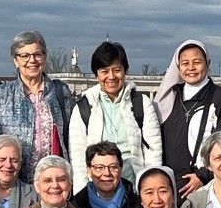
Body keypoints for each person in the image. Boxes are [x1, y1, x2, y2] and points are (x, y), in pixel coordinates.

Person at [0, 30, 74, 183]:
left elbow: (71, 138)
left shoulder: (61, 91)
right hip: (16, 182)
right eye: (24, 56)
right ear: (15, 61)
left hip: (53, 183)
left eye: (37, 54)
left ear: (45, 57)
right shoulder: (2, 94)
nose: (32, 60)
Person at [69, 41, 163, 187]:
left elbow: (153, 153)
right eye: (104, 71)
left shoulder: (142, 104)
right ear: (96, 75)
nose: (111, 77)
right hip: (97, 190)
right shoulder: (83, 107)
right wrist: (82, 197)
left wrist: (150, 188)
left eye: (117, 70)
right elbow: (78, 158)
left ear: (125, 71)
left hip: (133, 188)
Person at [156, 40, 221, 198]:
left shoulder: (220, 98)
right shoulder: (171, 96)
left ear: (207, 63)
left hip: (199, 184)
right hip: (168, 182)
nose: (191, 68)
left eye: (197, 62)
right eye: (185, 63)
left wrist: (203, 175)